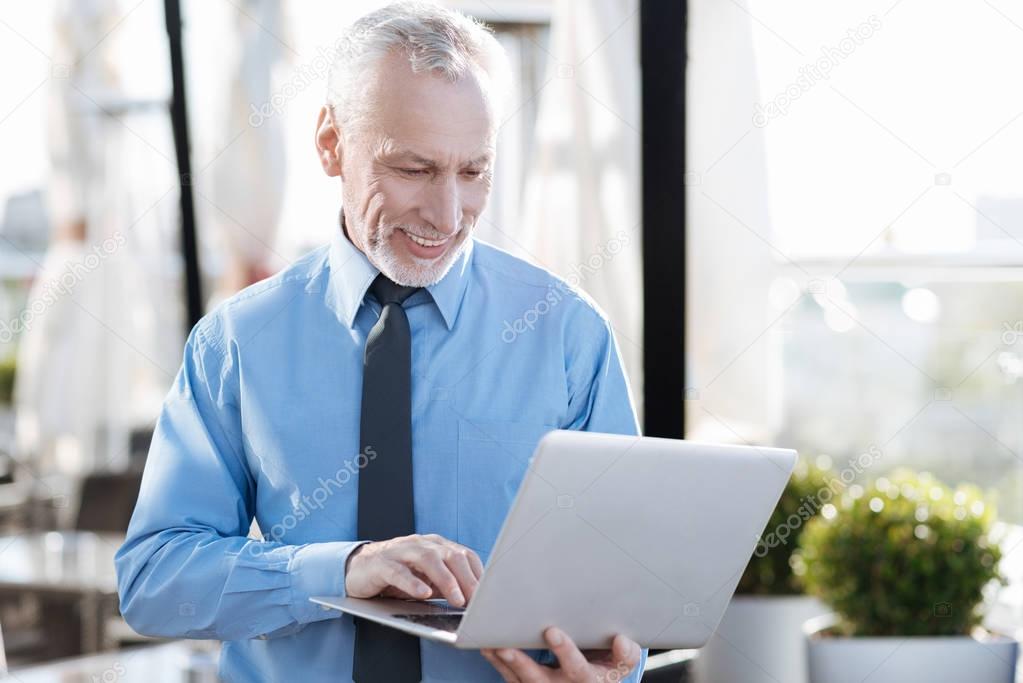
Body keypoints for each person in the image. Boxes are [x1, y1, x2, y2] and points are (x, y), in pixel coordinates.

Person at [115, 2, 646, 681]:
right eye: (414, 169)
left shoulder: (568, 333)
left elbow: (623, 591)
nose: (447, 215)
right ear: (331, 143)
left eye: (473, 171)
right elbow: (153, 581)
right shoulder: (236, 342)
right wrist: (339, 568)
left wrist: (606, 673)